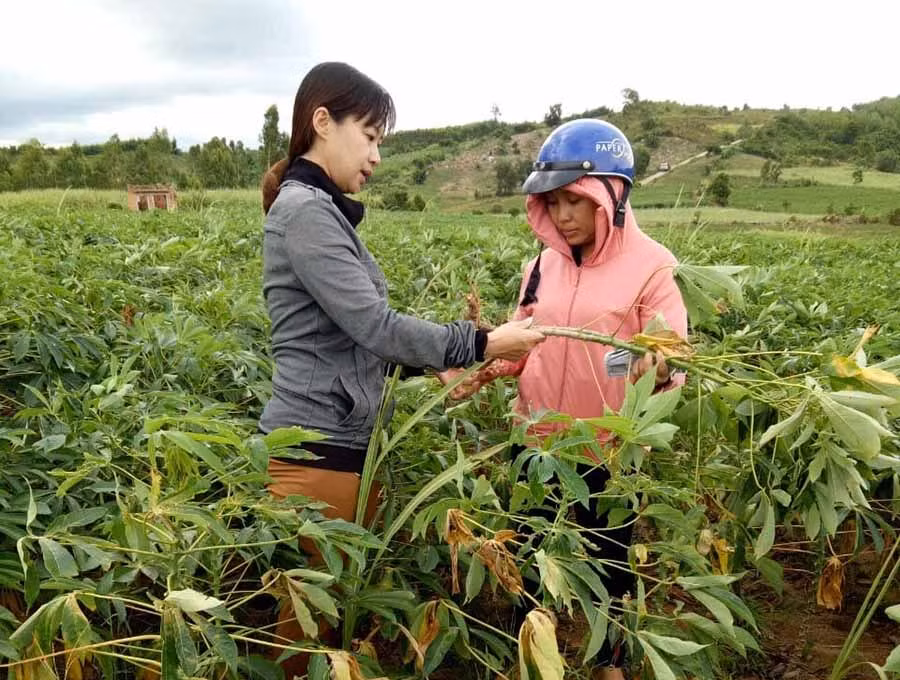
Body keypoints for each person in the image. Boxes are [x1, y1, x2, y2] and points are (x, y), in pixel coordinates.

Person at [258, 62, 545, 676]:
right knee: (304, 640)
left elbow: (347, 346)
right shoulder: (307, 211)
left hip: (340, 445)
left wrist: (430, 369)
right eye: (370, 136)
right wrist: (484, 341)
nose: (377, 157)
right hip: (317, 452)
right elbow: (376, 327)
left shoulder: (320, 208)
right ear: (322, 122)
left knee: (325, 626)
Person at [441, 119, 688, 680]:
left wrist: (649, 363)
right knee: (528, 550)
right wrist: (479, 368)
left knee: (609, 562)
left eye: (576, 200)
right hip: (535, 439)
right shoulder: (542, 265)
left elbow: (672, 353)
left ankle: (611, 664)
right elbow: (527, 342)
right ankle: (537, 651)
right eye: (552, 202)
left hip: (606, 450)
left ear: (612, 195)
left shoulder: (653, 266)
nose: (563, 216)